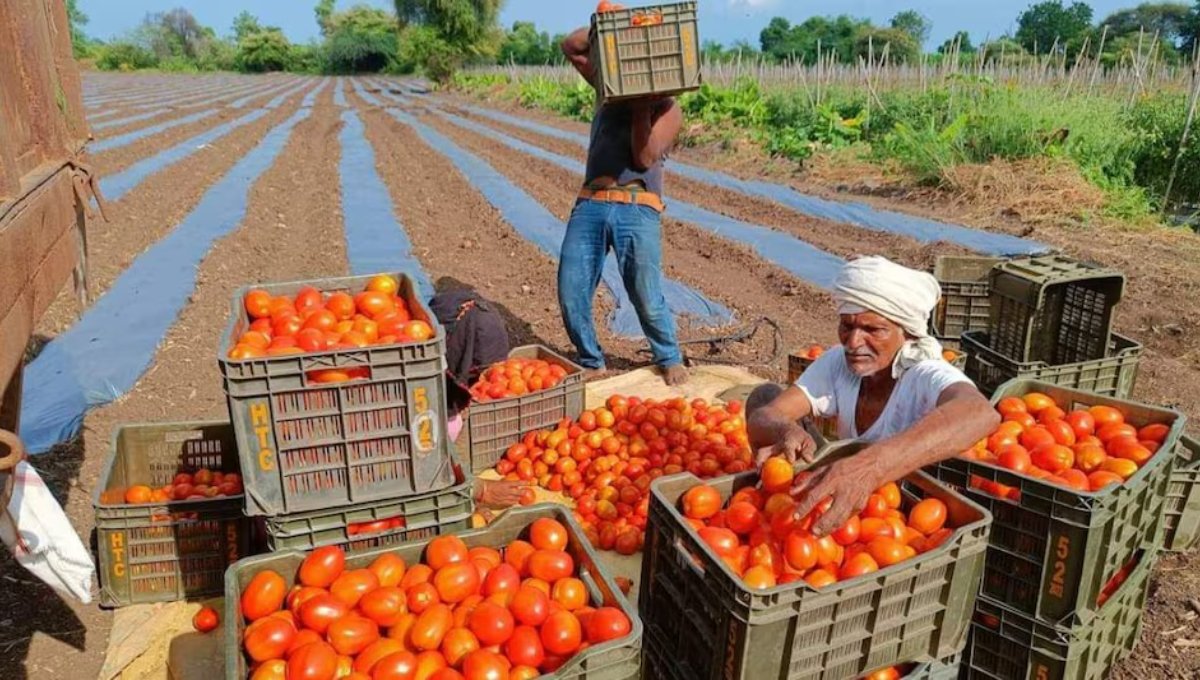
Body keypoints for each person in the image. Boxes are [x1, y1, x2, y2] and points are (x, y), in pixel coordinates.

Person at [746, 256, 1000, 536]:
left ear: (907, 333)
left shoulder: (924, 373)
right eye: (847, 326)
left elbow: (980, 413)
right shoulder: (837, 363)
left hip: (901, 512)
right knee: (763, 395)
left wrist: (870, 466)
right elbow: (765, 413)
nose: (854, 343)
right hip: (852, 513)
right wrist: (784, 428)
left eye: (873, 329)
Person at [558, 26, 688, 386]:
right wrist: (614, 23)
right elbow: (572, 45)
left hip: (637, 207)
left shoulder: (670, 110)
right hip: (591, 202)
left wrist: (641, 105)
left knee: (645, 294)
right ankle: (590, 360)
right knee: (572, 290)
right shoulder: (607, 87)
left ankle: (669, 356)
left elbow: (644, 159)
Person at [429, 285, 530, 508]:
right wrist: (478, 490)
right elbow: (418, 463)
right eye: (475, 372)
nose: (483, 383)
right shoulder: (417, 396)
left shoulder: (448, 385)